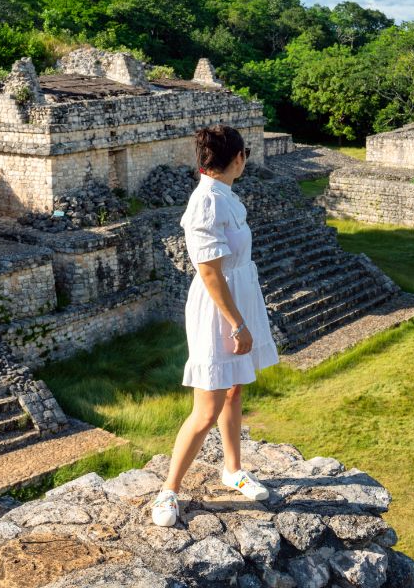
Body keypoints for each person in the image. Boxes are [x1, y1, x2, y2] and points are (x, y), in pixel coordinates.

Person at [151, 124, 280, 527]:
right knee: (206, 407)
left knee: (234, 387)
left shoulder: (225, 195)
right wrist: (238, 324)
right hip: (218, 307)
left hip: (238, 296)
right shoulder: (206, 201)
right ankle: (168, 490)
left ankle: (232, 468)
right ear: (238, 158)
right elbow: (208, 273)